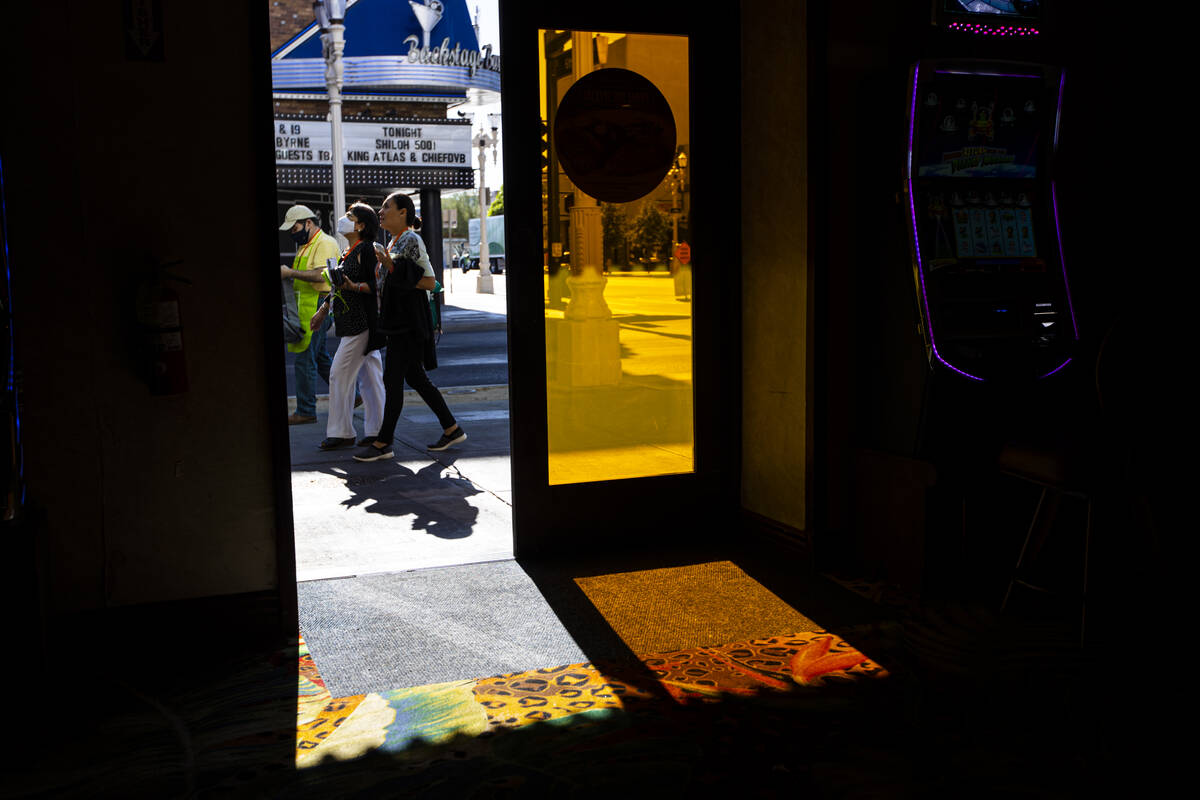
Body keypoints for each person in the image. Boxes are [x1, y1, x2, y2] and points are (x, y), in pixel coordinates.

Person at [355, 192, 465, 462]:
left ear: (403, 212)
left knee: (392, 381)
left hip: (407, 324)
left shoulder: (410, 239)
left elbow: (429, 282)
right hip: (398, 323)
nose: (380, 211)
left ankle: (383, 442)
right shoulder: (393, 242)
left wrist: (392, 267)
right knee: (415, 379)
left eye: (386, 207)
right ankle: (452, 429)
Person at [293, 203, 385, 450]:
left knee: (339, 374)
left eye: (349, 216)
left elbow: (373, 285)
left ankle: (342, 432)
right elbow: (337, 286)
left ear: (361, 225)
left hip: (361, 322)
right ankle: (378, 430)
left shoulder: (366, 250)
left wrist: (351, 287)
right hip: (352, 321)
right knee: (371, 378)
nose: (343, 220)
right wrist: (323, 310)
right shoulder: (348, 250)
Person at [279, 205, 337, 425]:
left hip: (318, 308)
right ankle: (353, 397)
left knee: (305, 361)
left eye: (295, 228)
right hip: (307, 309)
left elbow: (322, 278)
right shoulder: (307, 245)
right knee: (320, 358)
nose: (293, 233)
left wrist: (290, 272)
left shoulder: (325, 243)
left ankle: (305, 410)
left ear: (308, 223)